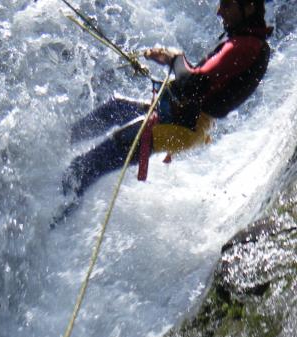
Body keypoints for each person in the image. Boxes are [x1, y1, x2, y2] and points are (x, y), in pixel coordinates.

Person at [59, 0, 273, 204]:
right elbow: (201, 83)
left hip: (182, 126)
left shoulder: (244, 46)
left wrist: (176, 60)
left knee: (83, 168)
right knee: (114, 108)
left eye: (226, 4)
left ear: (249, 7)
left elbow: (194, 84)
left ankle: (53, 218)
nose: (219, 11)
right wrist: (173, 62)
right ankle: (59, 145)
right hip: (177, 113)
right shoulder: (247, 42)